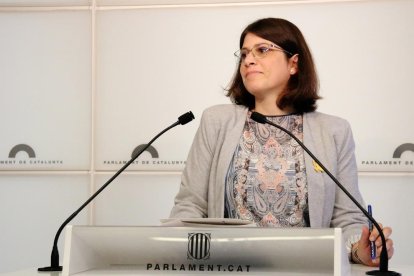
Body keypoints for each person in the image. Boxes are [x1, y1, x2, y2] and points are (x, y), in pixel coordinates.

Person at [169, 17, 393, 266]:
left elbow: (348, 218)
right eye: (243, 54)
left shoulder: (333, 131)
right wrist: (179, 250)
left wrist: (359, 250)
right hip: (229, 268)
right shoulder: (216, 121)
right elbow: (190, 205)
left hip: (306, 269)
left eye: (262, 50)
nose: (248, 60)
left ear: (294, 64)